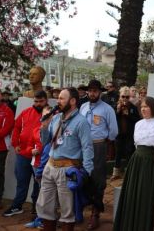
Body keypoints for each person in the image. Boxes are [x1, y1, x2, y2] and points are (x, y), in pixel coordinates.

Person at [36, 87, 94, 231]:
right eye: (58, 98)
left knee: (67, 209)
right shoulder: (56, 118)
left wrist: (87, 172)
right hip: (50, 166)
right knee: (45, 206)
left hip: (67, 169)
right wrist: (44, 127)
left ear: (73, 101)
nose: (58, 101)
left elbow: (87, 148)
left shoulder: (81, 122)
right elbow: (45, 142)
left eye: (62, 98)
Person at [113, 97, 154, 231]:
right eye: (142, 107)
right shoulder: (138, 124)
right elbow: (136, 144)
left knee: (147, 196)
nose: (143, 109)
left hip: (152, 163)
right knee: (133, 194)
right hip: (136, 162)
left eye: (147, 106)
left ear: (153, 108)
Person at [79, 80, 118, 230]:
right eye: (90, 91)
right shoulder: (83, 107)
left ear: (100, 92)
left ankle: (95, 213)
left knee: (98, 179)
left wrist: (104, 142)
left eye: (95, 91)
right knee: (81, 176)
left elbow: (113, 131)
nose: (92, 93)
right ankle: (80, 209)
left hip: (98, 145)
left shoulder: (107, 109)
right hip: (82, 146)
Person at [3, 90, 48, 217]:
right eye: (36, 101)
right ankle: (17, 206)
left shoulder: (51, 115)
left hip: (41, 157)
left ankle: (36, 207)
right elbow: (16, 127)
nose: (38, 104)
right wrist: (15, 144)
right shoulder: (25, 113)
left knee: (38, 184)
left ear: (46, 101)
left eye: (41, 101)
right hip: (23, 154)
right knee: (22, 182)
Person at [24, 106, 53, 229]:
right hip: (36, 164)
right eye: (44, 115)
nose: (46, 118)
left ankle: (44, 220)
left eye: (49, 115)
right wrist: (31, 150)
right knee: (40, 193)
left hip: (49, 165)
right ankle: (40, 219)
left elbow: (48, 146)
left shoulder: (55, 130)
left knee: (46, 194)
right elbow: (29, 145)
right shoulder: (36, 129)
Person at [111, 86, 140, 180]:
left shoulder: (133, 107)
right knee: (118, 153)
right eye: (123, 96)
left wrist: (129, 115)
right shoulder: (115, 106)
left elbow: (137, 120)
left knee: (129, 153)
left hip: (129, 134)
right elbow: (111, 120)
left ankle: (128, 173)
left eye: (127, 97)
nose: (125, 99)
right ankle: (116, 173)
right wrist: (118, 111)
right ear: (120, 96)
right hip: (119, 134)